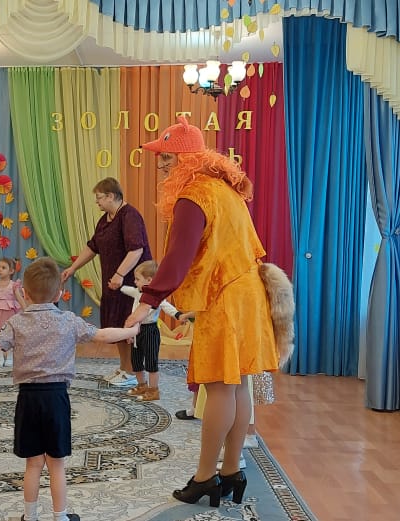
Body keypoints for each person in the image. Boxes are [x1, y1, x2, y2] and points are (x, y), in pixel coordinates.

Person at [126, 116, 280, 507]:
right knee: (237, 384)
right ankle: (230, 471)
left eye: (166, 158)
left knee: (218, 387)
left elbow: (177, 260)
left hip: (224, 297)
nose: (161, 166)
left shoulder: (194, 196)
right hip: (247, 293)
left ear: (185, 160)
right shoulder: (223, 189)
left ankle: (205, 476)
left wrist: (147, 302)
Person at [0, 257, 140, 521]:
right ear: (59, 293)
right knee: (56, 464)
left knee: (33, 463)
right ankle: (60, 517)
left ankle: (30, 517)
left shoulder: (17, 322)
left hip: (28, 399)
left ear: (25, 294)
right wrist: (131, 330)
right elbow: (103, 335)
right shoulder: (69, 320)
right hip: (57, 398)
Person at [61, 177, 152, 388]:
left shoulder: (130, 216)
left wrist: (120, 274)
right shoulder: (105, 220)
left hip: (130, 283)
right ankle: (124, 367)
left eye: (99, 197)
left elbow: (136, 249)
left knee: (128, 325)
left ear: (111, 196)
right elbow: (92, 247)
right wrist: (73, 268)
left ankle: (132, 371)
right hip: (113, 283)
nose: (97, 202)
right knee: (118, 324)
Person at [119, 260, 180, 402]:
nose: (135, 282)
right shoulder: (137, 292)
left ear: (149, 280)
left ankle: (153, 390)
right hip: (137, 330)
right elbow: (126, 289)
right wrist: (118, 284)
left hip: (150, 331)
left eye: (137, 279)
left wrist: (178, 315)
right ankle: (141, 385)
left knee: (151, 363)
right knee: (136, 361)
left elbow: (167, 306)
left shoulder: (156, 297)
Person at [0, 257, 25, 367]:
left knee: (10, 335)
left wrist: (26, 310)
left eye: (3, 268)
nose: (0, 269)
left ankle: (10, 356)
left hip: (10, 316)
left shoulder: (13, 285)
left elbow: (20, 299)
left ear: (11, 271)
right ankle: (0, 356)